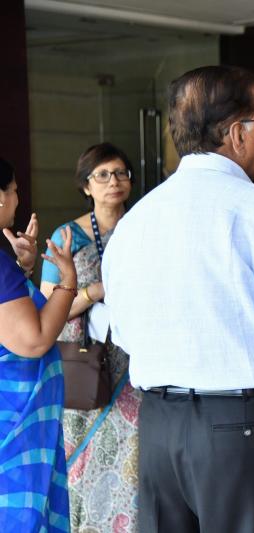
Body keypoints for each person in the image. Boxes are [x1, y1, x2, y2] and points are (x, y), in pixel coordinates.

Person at [101, 65, 254, 533]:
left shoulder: (137, 220)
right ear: (237, 133)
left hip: (160, 427)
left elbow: (124, 332)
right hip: (245, 430)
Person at [39, 142, 140, 531]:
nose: (114, 181)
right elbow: (49, 305)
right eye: (102, 175)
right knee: (81, 452)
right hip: (84, 362)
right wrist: (95, 291)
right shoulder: (67, 235)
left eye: (121, 173)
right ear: (85, 185)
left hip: (135, 363)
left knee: (134, 453)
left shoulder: (143, 227)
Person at [0, 157, 75, 532]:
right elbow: (33, 341)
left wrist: (21, 269)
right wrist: (68, 281)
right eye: (14, 191)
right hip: (11, 425)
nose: (17, 199)